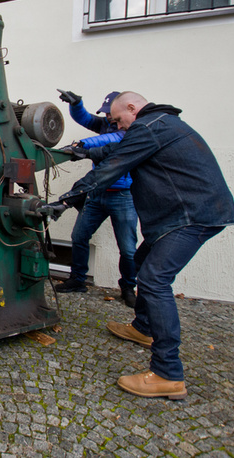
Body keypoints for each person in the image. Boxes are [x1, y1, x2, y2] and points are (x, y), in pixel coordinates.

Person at [43, 92, 234, 400]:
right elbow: (116, 148)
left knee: (154, 280)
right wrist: (83, 154)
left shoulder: (149, 127)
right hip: (192, 213)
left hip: (190, 216)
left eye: (119, 119)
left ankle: (168, 374)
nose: (117, 125)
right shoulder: (160, 124)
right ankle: (144, 327)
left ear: (133, 108)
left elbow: (116, 164)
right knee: (145, 263)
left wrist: (67, 200)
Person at [55, 89, 138, 308]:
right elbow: (86, 118)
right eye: (106, 113)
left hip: (123, 195)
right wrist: (76, 104)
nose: (109, 117)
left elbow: (112, 139)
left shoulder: (130, 130)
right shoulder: (106, 124)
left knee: (128, 248)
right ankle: (77, 280)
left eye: (110, 113)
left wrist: (81, 146)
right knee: (79, 236)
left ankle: (128, 287)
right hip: (96, 192)